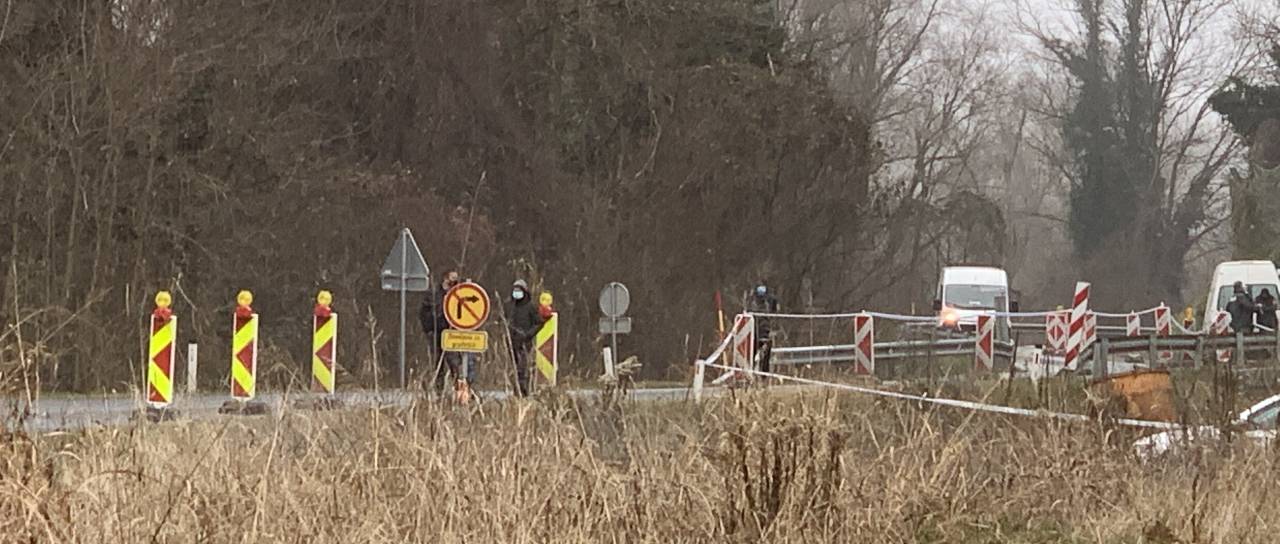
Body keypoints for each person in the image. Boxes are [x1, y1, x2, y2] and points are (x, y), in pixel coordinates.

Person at [419, 271, 467, 394]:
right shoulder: (434, 294)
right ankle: (439, 392)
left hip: (452, 334)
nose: (455, 280)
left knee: (454, 363)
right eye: (452, 277)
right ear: (445, 278)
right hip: (436, 333)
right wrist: (429, 329)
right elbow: (424, 313)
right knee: (437, 364)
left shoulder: (459, 293)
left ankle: (459, 391)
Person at [507, 279, 544, 397]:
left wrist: (528, 334)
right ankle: (516, 391)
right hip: (511, 342)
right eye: (515, 290)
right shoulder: (511, 306)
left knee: (522, 368)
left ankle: (524, 391)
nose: (516, 293)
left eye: (519, 290)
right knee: (514, 368)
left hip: (525, 342)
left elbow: (539, 323)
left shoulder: (530, 306)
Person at [746, 282, 780, 373]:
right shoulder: (755, 302)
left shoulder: (757, 301)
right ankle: (758, 373)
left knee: (760, 354)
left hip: (760, 332)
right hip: (757, 332)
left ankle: (760, 373)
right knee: (755, 354)